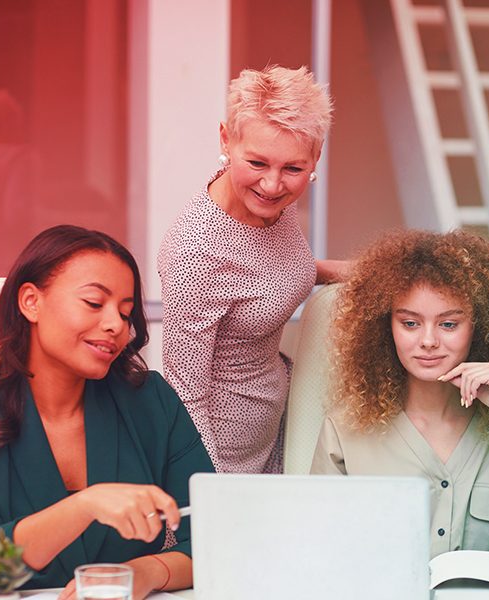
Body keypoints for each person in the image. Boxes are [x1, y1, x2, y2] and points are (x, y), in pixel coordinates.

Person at [0, 225, 214, 599]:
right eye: (94, 303)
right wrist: (84, 506)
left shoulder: (151, 400)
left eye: (126, 313)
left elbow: (217, 536)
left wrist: (144, 572)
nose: (116, 325)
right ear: (31, 301)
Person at [310, 229, 489, 557]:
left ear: (479, 328)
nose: (428, 341)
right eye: (410, 323)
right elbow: (320, 550)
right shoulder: (344, 429)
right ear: (386, 327)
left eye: (448, 324)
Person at [158, 65, 349, 474]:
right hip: (223, 455)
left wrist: (354, 272)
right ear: (227, 139)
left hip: (277, 427)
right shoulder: (196, 253)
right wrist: (213, 494)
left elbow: (264, 273)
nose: (273, 185)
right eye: (257, 163)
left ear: (316, 156)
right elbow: (185, 396)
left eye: (294, 169)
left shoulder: (273, 204)